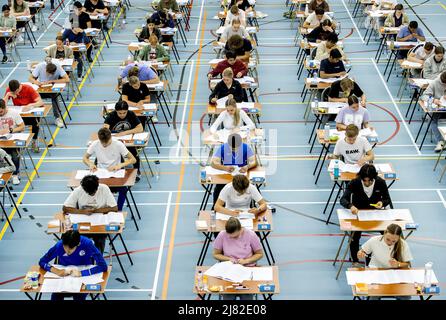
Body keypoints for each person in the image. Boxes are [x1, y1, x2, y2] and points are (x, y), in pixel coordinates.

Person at [340, 164, 391, 266]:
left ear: (374, 178)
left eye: (370, 181)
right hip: (358, 214)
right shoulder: (355, 182)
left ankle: (387, 256)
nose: (367, 183)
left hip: (375, 214)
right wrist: (350, 206)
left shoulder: (380, 182)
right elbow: (343, 199)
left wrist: (382, 203)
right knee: (354, 235)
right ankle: (355, 260)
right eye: (365, 181)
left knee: (387, 233)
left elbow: (387, 199)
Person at [39, 230, 108, 301]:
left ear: (78, 244)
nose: (67, 251)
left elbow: (103, 266)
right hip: (63, 278)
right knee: (56, 296)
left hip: (83, 278)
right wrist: (56, 271)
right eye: (65, 248)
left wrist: (82, 273)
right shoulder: (59, 245)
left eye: (70, 249)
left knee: (79, 296)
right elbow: (42, 261)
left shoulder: (87, 244)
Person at [83, 128, 136, 212]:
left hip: (115, 174)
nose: (104, 145)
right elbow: (85, 158)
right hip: (100, 174)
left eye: (106, 143)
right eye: (102, 143)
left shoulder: (118, 144)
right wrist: (91, 164)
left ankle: (118, 210)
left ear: (110, 137)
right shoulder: (95, 144)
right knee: (91, 188)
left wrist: (120, 165)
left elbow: (133, 159)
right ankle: (100, 209)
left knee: (124, 190)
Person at [63, 175, 118, 253]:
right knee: (74, 237)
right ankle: (81, 258)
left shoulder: (104, 189)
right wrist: (83, 212)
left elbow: (114, 208)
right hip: (83, 225)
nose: (91, 194)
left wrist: (95, 210)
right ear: (84, 188)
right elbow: (65, 208)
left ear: (97, 186)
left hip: (100, 224)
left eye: (93, 192)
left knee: (100, 239)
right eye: (88, 192)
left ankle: (98, 258)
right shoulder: (78, 190)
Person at [357, 224, 413, 300]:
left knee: (406, 296)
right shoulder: (374, 240)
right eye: (388, 239)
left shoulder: (403, 244)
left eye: (394, 241)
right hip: (376, 273)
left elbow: (407, 264)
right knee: (374, 294)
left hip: (395, 275)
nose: (390, 243)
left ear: (399, 238)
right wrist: (360, 253)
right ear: (384, 233)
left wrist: (398, 264)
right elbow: (361, 252)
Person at [213, 217, 263, 300]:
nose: (233, 237)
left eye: (235, 236)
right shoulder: (222, 234)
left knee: (246, 297)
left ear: (241, 229)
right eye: (230, 236)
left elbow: (259, 254)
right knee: (228, 296)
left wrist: (246, 260)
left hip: (247, 269)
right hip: (229, 271)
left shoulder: (251, 234)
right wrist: (228, 259)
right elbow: (216, 254)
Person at [210, 133, 257, 204]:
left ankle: (251, 207)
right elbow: (213, 163)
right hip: (227, 176)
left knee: (250, 188)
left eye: (236, 148)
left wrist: (247, 167)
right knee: (218, 189)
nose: (234, 150)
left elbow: (254, 161)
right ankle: (216, 208)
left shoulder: (245, 147)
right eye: (232, 148)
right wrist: (224, 168)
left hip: (242, 176)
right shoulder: (223, 147)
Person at [104, 101, 144, 179]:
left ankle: (137, 170)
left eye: (124, 113)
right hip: (114, 141)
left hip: (128, 140)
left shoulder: (131, 114)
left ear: (127, 110)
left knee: (134, 153)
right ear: (116, 111)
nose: (122, 115)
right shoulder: (111, 115)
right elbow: (105, 129)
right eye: (120, 113)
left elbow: (140, 128)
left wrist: (125, 133)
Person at [3, 80, 43, 154]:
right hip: (18, 114)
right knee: (10, 123)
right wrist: (8, 95)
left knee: (35, 122)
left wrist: (30, 105)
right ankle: (16, 144)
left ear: (19, 88)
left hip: (30, 113)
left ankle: (34, 141)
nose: (16, 94)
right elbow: (2, 106)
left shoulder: (28, 88)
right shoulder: (9, 90)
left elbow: (40, 102)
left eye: (16, 92)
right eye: (13, 93)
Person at [28, 61, 69, 128]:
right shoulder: (40, 66)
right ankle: (34, 117)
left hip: (52, 88)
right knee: (32, 97)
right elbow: (30, 78)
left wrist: (52, 81)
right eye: (48, 73)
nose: (50, 75)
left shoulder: (58, 66)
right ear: (46, 69)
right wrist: (36, 82)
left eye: (52, 74)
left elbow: (67, 79)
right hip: (40, 87)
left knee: (55, 97)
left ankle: (57, 118)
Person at [0, 99, 24, 184]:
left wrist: (10, 130)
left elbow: (22, 127)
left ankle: (15, 174)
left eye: (1, 111)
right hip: (0, 143)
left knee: (15, 155)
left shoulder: (13, 113)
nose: (0, 114)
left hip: (12, 141)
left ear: (5, 108)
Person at [421, 71, 446, 152]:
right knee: (432, 120)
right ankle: (441, 141)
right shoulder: (434, 83)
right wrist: (433, 100)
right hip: (438, 108)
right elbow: (424, 96)